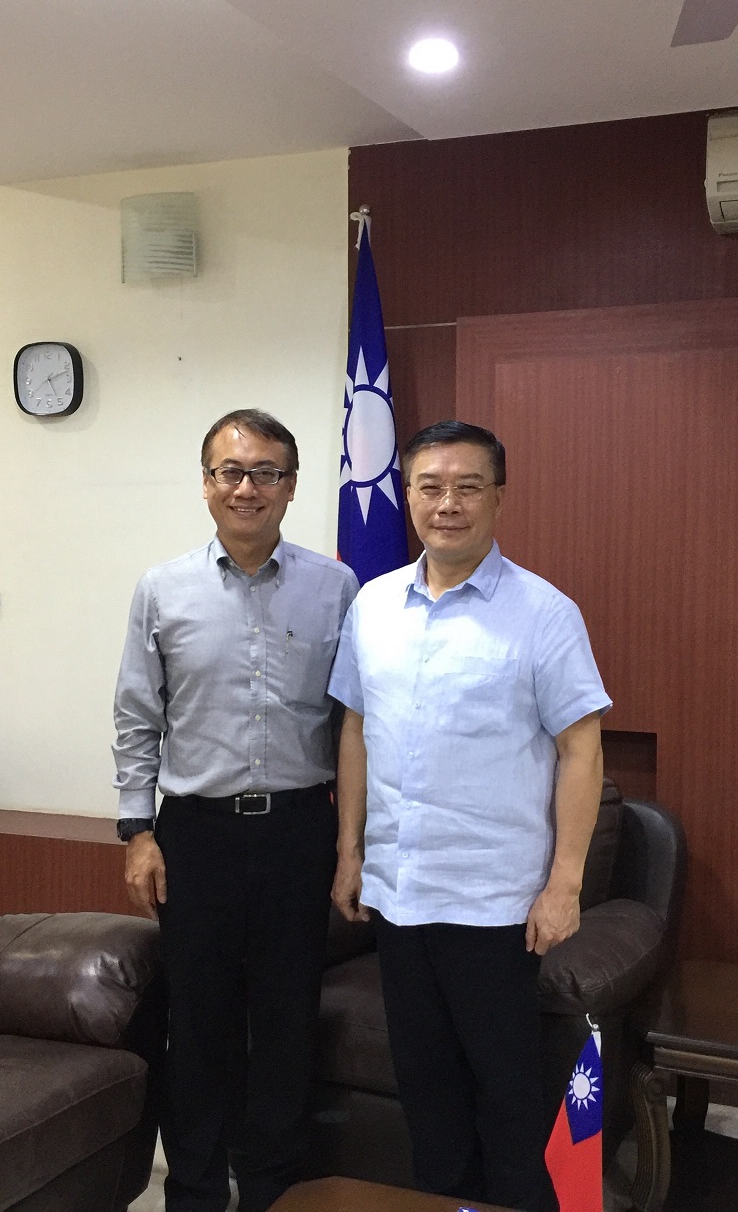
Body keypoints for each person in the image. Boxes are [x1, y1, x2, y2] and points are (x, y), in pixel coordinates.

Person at [328, 420, 612, 1212]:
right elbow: (354, 728)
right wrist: (350, 853)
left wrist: (565, 883)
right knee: (426, 1090)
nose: (446, 503)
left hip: (495, 905)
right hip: (399, 893)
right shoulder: (373, 605)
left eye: (467, 487)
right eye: (430, 487)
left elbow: (581, 749)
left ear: (498, 498)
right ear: (408, 495)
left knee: (509, 1096)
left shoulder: (544, 613)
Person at [112, 408, 358, 1212]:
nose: (246, 488)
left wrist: (350, 845)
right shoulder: (162, 588)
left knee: (286, 1024)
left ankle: (273, 1192)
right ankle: (192, 1193)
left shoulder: (336, 588)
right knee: (198, 1024)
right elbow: (137, 718)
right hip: (196, 837)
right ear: (207, 483)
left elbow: (353, 724)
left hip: (298, 831)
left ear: (291, 485)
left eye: (265, 473)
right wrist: (137, 831)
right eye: (230, 471)